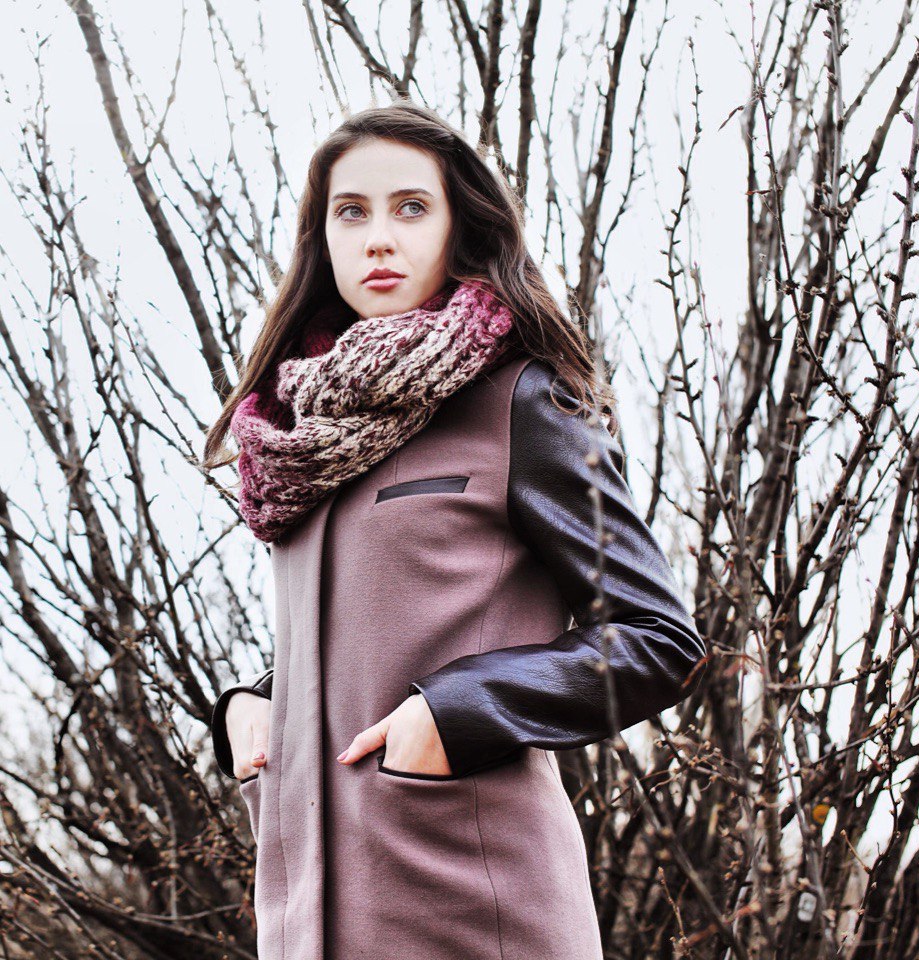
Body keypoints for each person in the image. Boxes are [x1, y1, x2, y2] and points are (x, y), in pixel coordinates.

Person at [203, 100, 705, 960]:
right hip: (306, 919)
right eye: (351, 212)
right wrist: (259, 706)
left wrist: (457, 713)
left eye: (410, 207)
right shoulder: (299, 435)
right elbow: (369, 631)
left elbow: (657, 639)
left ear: (457, 227)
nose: (378, 238)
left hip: (476, 908)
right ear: (321, 239)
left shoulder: (524, 403)